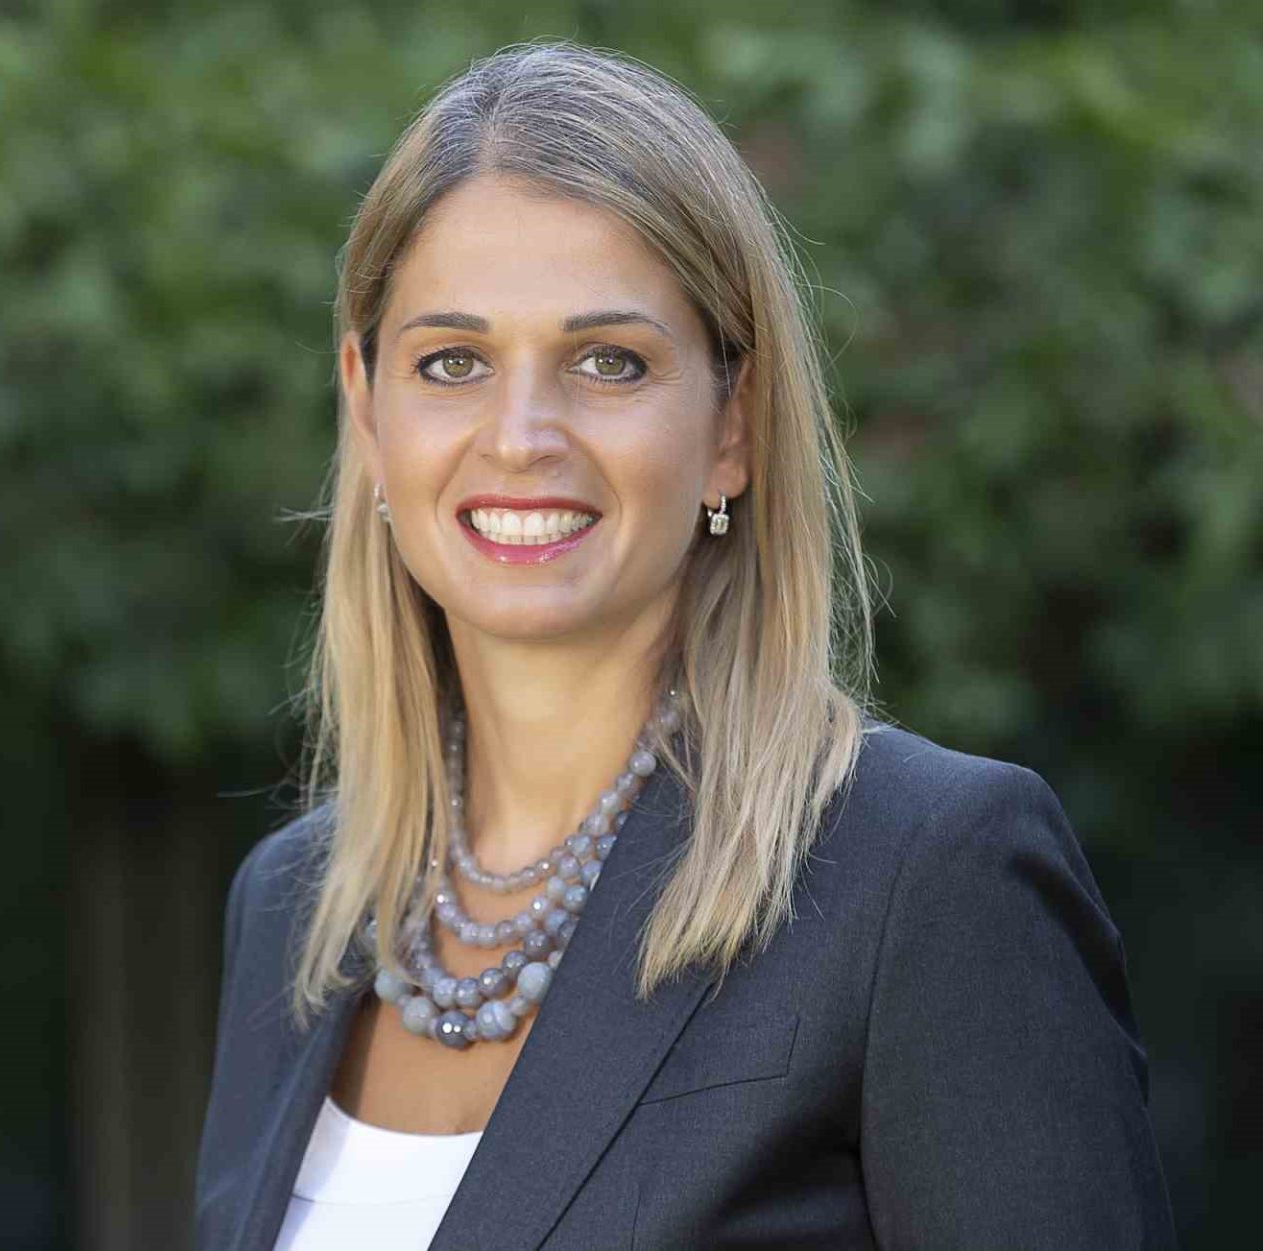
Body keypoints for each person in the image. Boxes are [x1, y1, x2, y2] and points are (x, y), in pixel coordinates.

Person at [194, 41, 1174, 1251]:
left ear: (731, 427)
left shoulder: (921, 877)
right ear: (365, 407)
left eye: (608, 362)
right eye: (453, 362)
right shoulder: (292, 909)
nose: (521, 436)